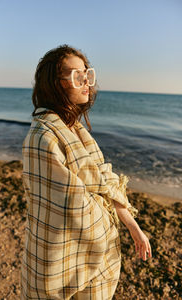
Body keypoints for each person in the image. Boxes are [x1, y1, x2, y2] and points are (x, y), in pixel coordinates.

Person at [20, 45, 152, 300]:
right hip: (59, 260)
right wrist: (109, 224)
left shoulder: (77, 131)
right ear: (55, 84)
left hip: (96, 262)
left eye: (87, 73)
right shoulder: (43, 138)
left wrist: (134, 228)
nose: (86, 82)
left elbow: (104, 182)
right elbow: (70, 206)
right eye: (76, 75)